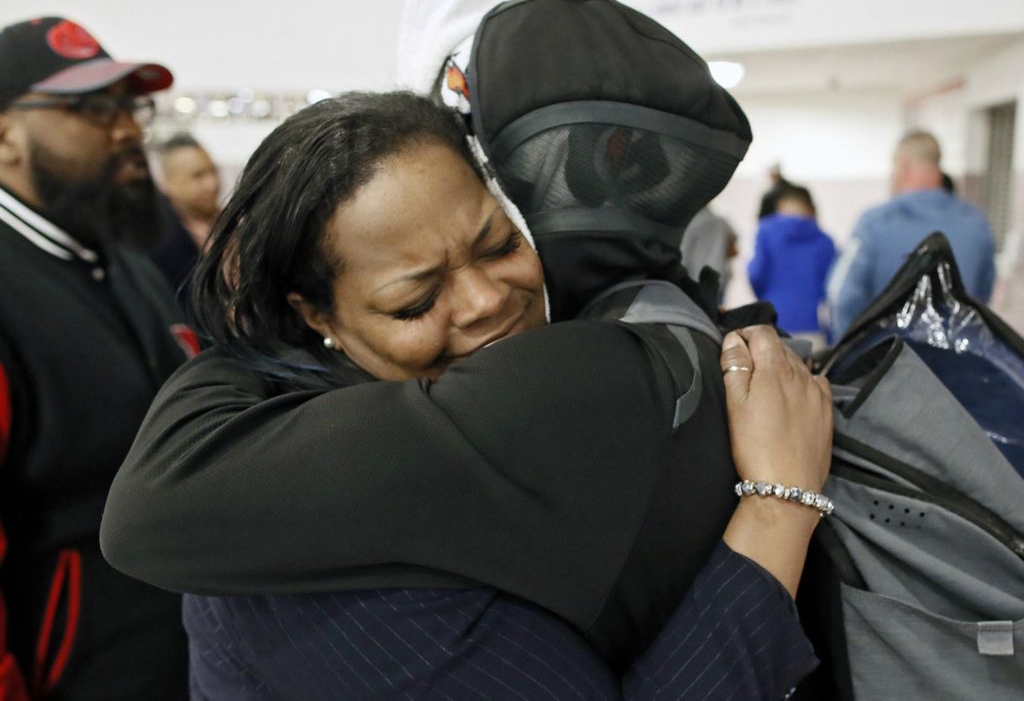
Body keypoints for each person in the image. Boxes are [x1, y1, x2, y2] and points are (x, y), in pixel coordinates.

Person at [102, 92, 833, 699]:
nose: (488, 300)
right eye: (415, 301)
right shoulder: (329, 559)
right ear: (316, 316)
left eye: (498, 245)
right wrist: (777, 512)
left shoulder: (534, 382)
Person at [0, 17, 192, 699]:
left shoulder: (125, 260)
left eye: (127, 108)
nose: (125, 131)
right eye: (89, 110)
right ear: (5, 136)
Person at [828, 130, 996, 339]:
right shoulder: (976, 222)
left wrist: (848, 352)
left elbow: (841, 295)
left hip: (889, 362)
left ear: (903, 167)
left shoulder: (875, 223)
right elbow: (981, 294)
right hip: (957, 362)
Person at [748, 185, 836, 346]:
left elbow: (756, 273)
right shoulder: (825, 241)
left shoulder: (766, 232)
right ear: (809, 208)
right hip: (812, 325)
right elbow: (833, 288)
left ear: (781, 205)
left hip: (774, 322)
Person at [150, 133, 221, 304]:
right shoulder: (159, 242)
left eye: (213, 171)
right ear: (168, 183)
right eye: (198, 176)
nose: (212, 183)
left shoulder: (234, 224)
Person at [679, 206, 738, 304]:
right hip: (718, 279)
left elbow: (683, 254)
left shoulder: (690, 223)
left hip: (694, 279)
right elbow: (734, 251)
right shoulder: (721, 221)